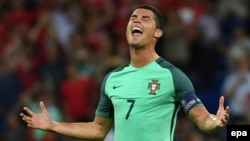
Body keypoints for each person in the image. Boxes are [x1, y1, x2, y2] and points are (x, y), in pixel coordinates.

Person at [20, 5, 230, 141]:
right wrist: (53, 125)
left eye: (145, 18)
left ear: (158, 33)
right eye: (133, 18)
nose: (136, 21)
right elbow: (98, 130)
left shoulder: (173, 76)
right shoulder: (112, 79)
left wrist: (215, 122)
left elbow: (203, 120)